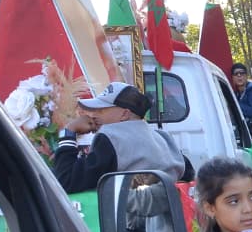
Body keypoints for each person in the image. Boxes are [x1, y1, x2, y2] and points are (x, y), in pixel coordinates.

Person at [53, 81, 193, 194]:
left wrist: (69, 132)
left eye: (101, 109)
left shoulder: (112, 137)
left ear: (124, 114)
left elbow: (66, 181)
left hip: (127, 224)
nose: (93, 115)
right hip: (168, 224)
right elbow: (189, 173)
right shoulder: (162, 137)